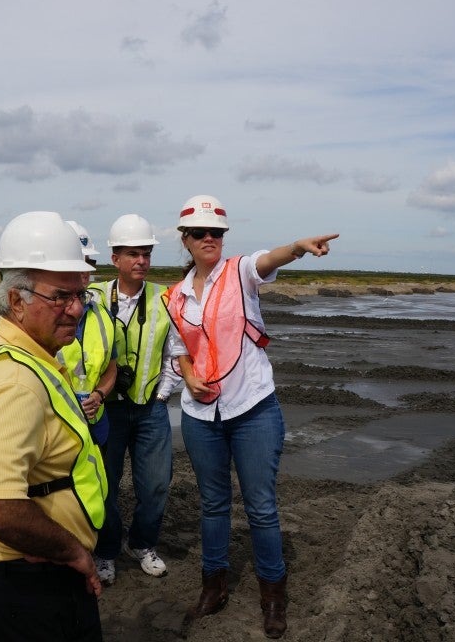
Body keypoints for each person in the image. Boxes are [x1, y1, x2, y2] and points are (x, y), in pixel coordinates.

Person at [164, 195, 338, 639]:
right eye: (200, 233)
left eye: (216, 233)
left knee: (261, 508)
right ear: (184, 240)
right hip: (201, 415)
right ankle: (214, 586)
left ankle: (273, 596)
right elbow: (180, 349)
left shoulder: (239, 272)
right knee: (214, 505)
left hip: (253, 409)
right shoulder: (174, 296)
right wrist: (190, 378)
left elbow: (268, 260)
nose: (209, 239)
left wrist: (297, 247)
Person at [0, 211, 107, 641]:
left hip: (33, 573)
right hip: (26, 585)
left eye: (81, 294)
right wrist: (72, 551)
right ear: (16, 301)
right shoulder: (14, 380)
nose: (76, 309)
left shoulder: (33, 358)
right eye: (60, 296)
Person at [88, 213, 179, 585]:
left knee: (156, 484)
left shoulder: (165, 298)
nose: (141, 261)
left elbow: (176, 352)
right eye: (132, 254)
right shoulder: (93, 297)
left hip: (150, 410)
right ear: (115, 259)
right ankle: (106, 551)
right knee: (105, 486)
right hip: (106, 410)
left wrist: (162, 394)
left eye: (146, 254)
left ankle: (141, 545)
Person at [61, 220, 116, 447]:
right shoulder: (43, 317)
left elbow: (111, 367)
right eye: (80, 261)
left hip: (96, 421)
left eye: (90, 262)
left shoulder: (103, 315)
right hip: (59, 423)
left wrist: (99, 395)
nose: (86, 269)